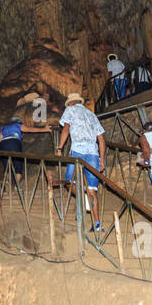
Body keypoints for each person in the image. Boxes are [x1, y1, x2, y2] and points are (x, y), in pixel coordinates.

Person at [57, 92, 106, 231]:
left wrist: (59, 148)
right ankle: (97, 224)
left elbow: (65, 129)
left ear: (71, 103)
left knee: (68, 182)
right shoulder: (92, 115)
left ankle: (82, 198)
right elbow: (101, 139)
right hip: (93, 154)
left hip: (77, 151)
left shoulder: (70, 109)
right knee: (92, 191)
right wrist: (101, 159)